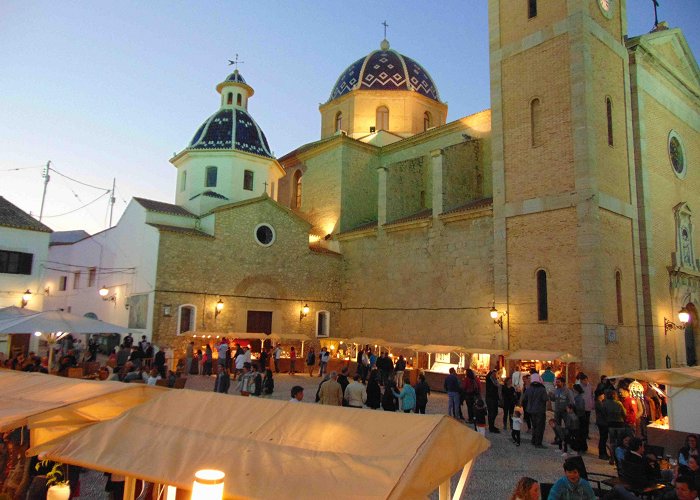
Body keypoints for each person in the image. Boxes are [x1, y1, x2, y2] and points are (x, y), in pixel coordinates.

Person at [522, 372, 548, 448]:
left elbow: (525, 398)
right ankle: (538, 443)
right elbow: (545, 398)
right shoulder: (542, 389)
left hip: (531, 410)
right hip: (540, 410)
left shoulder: (529, 388)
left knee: (534, 425)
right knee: (540, 426)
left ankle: (533, 440)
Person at [575, 374, 594, 441]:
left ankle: (586, 434)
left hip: (588, 406)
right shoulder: (579, 387)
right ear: (581, 381)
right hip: (581, 407)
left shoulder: (589, 386)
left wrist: (592, 404)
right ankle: (581, 434)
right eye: (584, 380)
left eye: (586, 380)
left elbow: (591, 396)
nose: (586, 381)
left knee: (587, 422)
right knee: (581, 422)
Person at [594, 390, 610, 460]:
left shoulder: (600, 403)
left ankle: (604, 453)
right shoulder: (599, 403)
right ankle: (602, 453)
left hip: (602, 422)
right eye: (603, 395)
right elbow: (604, 412)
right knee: (603, 438)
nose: (604, 396)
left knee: (603, 438)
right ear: (599, 396)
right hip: (602, 422)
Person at [485, 368, 501, 433]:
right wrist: (492, 370)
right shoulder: (490, 380)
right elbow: (487, 376)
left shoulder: (495, 381)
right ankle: (491, 427)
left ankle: (492, 425)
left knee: (495, 412)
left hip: (494, 398)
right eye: (494, 374)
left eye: (495, 374)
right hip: (490, 398)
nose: (495, 375)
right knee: (491, 412)